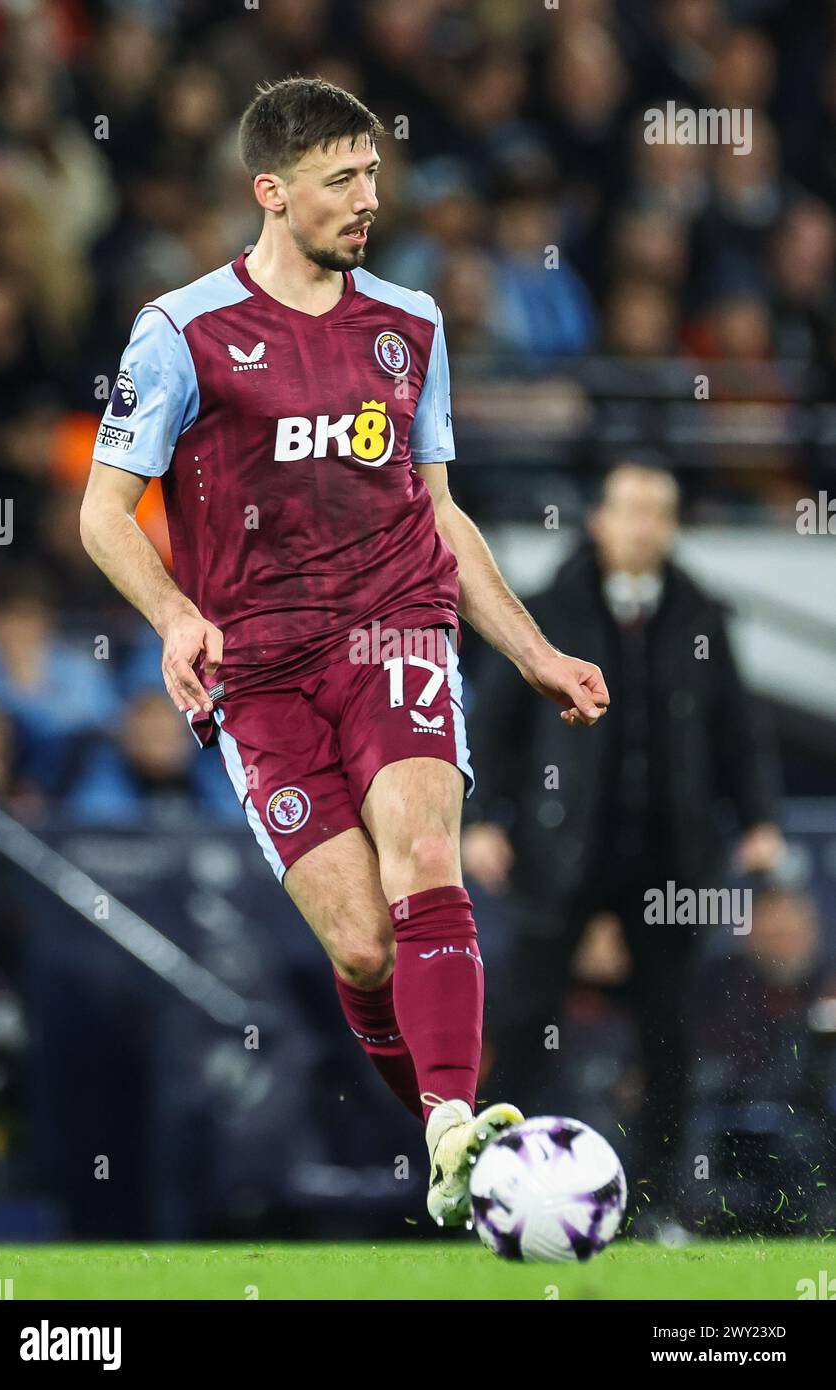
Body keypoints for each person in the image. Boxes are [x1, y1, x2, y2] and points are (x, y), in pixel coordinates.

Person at [78, 77, 609, 1228]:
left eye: (372, 173)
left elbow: (441, 512)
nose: (367, 198)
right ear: (271, 192)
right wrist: (175, 613)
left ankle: (458, 1128)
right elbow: (103, 510)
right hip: (254, 673)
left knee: (425, 856)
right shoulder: (181, 334)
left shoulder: (408, 324)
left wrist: (530, 650)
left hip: (392, 629)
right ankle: (447, 1137)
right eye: (340, 180)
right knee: (364, 947)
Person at [463, 462, 784, 1219]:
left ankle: (658, 1204)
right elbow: (496, 724)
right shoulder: (544, 609)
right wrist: (478, 820)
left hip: (670, 860)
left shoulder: (702, 614)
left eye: (660, 512)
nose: (646, 526)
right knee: (526, 1026)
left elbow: (738, 728)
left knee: (668, 1035)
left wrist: (759, 819)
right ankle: (494, 1189)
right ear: (600, 519)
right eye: (632, 510)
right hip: (559, 853)